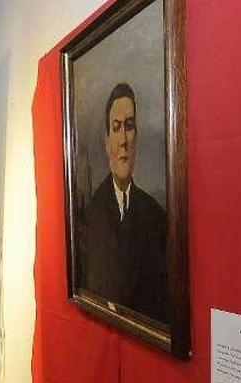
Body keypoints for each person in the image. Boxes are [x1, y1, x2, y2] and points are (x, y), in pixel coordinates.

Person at [83, 82, 168, 322]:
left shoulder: (157, 216)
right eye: (116, 128)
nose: (123, 140)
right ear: (106, 141)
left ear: (137, 137)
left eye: (129, 127)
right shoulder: (90, 214)